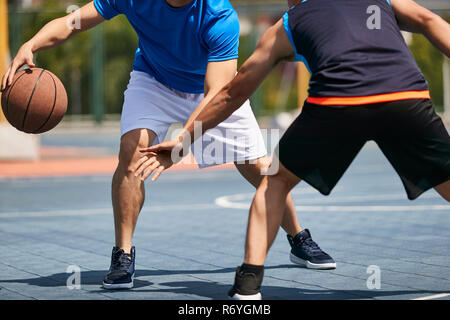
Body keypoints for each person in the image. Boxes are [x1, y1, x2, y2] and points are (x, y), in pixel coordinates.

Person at [1, 0, 336, 290]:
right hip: (154, 81)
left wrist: (180, 145)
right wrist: (33, 43)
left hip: (212, 93)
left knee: (260, 168)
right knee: (132, 153)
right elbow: (73, 22)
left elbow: (217, 94)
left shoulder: (220, 16)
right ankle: (123, 254)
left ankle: (298, 237)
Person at [137, 0, 450, 299]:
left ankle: (248, 285)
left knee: (274, 182)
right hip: (404, 97)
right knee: (445, 178)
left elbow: (233, 90)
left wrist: (184, 140)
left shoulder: (290, 21)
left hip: (337, 102)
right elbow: (430, 20)